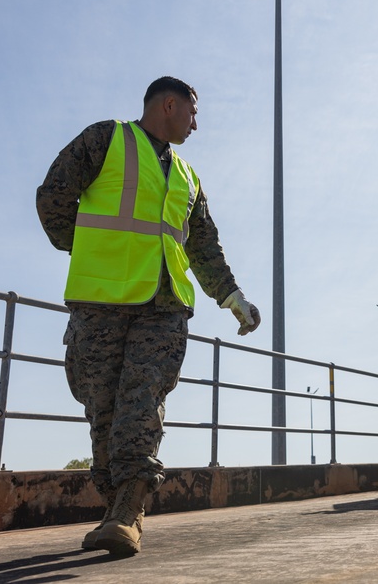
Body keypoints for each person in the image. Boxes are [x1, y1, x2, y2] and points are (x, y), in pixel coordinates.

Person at [36, 76, 261, 556]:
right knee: (102, 408)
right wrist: (86, 249)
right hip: (99, 302)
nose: (196, 124)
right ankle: (113, 507)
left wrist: (233, 297)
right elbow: (53, 195)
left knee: (141, 400)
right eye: (193, 114)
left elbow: (204, 246)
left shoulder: (187, 176)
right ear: (169, 104)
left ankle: (128, 512)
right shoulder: (105, 139)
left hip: (163, 308)